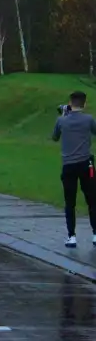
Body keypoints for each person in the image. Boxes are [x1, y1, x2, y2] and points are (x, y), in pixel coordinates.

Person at [51, 91, 96, 248]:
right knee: (92, 199)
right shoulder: (89, 119)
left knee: (70, 202)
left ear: (70, 103)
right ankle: (95, 234)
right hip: (86, 164)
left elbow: (55, 137)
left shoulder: (61, 120)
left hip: (68, 165)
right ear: (84, 104)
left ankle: (72, 236)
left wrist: (64, 115)